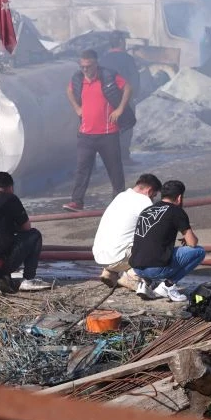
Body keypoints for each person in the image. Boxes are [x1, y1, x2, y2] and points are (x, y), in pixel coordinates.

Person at [64, 49, 131, 212]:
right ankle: (77, 201)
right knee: (82, 169)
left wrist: (120, 109)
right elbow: (69, 90)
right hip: (86, 135)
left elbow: (127, 87)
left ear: (96, 63)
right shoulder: (78, 78)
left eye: (88, 66)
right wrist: (77, 108)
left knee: (114, 169)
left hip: (108, 134)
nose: (85, 69)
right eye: (82, 66)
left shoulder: (108, 76)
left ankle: (119, 201)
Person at [0, 171, 50, 292]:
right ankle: (28, 278)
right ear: (10, 187)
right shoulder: (10, 199)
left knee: (1, 243)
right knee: (34, 235)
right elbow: (27, 228)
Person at [130, 180, 205, 302]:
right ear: (179, 197)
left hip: (137, 268)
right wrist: (190, 238)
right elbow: (192, 243)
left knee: (156, 251)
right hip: (155, 269)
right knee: (199, 251)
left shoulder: (147, 210)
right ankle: (168, 285)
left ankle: (147, 283)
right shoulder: (176, 211)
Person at [92, 173, 161, 289]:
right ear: (149, 191)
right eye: (153, 196)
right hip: (117, 258)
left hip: (100, 256)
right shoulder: (144, 201)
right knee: (157, 243)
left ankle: (109, 273)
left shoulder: (121, 196)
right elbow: (155, 232)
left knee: (123, 236)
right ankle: (132, 277)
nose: (152, 199)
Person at [98, 32, 141, 167]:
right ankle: (124, 158)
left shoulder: (103, 60)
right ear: (121, 42)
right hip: (124, 99)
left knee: (111, 129)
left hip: (107, 100)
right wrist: (134, 96)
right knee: (126, 128)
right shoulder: (127, 59)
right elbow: (134, 80)